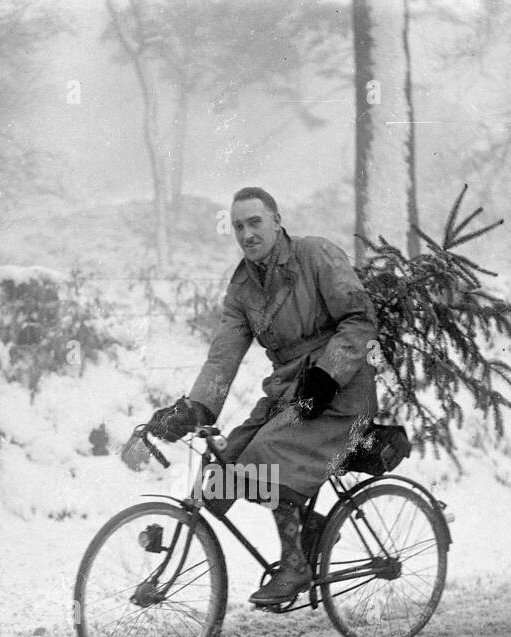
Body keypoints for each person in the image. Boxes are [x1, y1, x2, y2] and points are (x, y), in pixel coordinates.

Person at [147, 186, 378, 606]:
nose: (247, 233)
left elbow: (361, 321)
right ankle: (311, 529)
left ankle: (295, 565)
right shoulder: (243, 289)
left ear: (276, 220)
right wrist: (195, 407)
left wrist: (327, 376)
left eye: (255, 222)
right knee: (228, 465)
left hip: (342, 392)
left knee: (268, 454)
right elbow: (223, 357)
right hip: (290, 391)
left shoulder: (315, 255)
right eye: (238, 226)